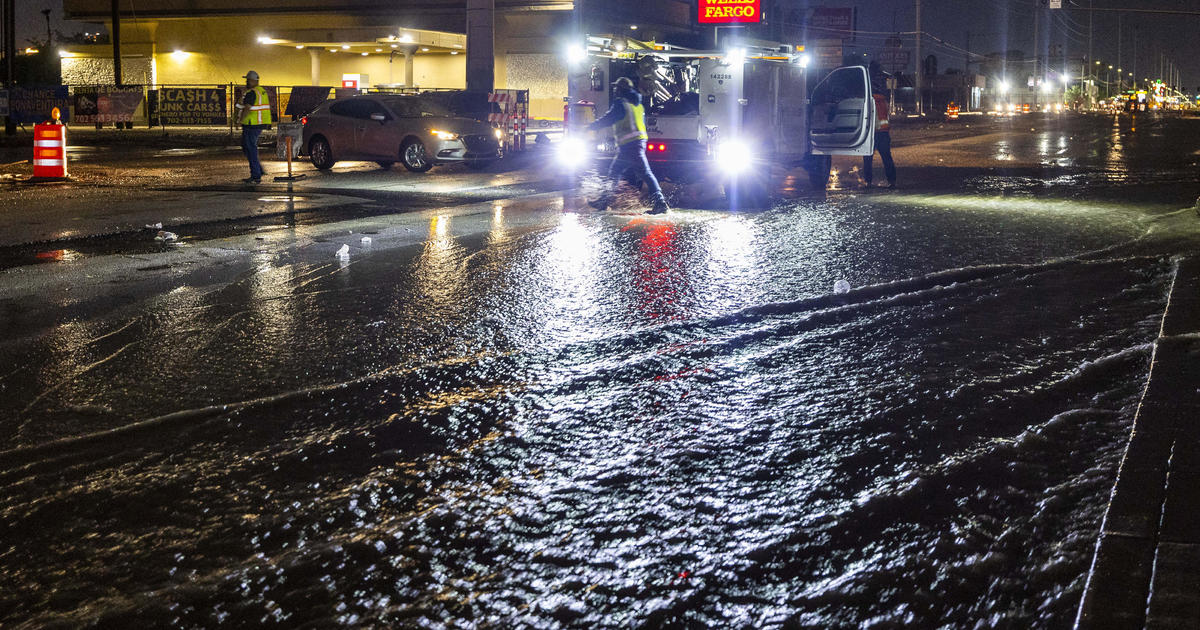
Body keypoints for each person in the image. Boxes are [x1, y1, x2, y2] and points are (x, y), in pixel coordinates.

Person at [585, 77, 670, 215]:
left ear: (620, 89)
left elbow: (609, 118)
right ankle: (604, 201)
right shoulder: (637, 104)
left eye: (616, 88)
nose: (615, 90)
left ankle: (660, 203)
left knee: (644, 173)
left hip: (631, 145)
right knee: (615, 172)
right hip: (634, 144)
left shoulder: (621, 104)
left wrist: (591, 126)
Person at [863, 63, 897, 189]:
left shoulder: (869, 98)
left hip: (871, 133)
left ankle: (868, 181)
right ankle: (892, 181)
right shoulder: (882, 98)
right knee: (886, 158)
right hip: (883, 132)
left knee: (867, 159)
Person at [235, 70, 272, 184]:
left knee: (250, 149)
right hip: (257, 124)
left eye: (247, 80)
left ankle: (255, 175)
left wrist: (239, 121)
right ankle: (258, 170)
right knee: (247, 147)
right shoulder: (261, 91)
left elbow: (247, 108)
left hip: (252, 124)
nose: (246, 82)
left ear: (252, 80)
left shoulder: (252, 93)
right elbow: (241, 105)